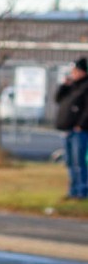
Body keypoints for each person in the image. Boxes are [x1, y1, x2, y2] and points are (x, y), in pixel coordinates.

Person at [54, 57, 88, 199]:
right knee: (69, 162)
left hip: (79, 130)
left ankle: (82, 191)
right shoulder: (72, 86)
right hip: (67, 129)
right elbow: (58, 99)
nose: (73, 73)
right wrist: (64, 85)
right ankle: (73, 190)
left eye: (75, 71)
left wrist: (81, 124)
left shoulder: (86, 86)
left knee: (78, 162)